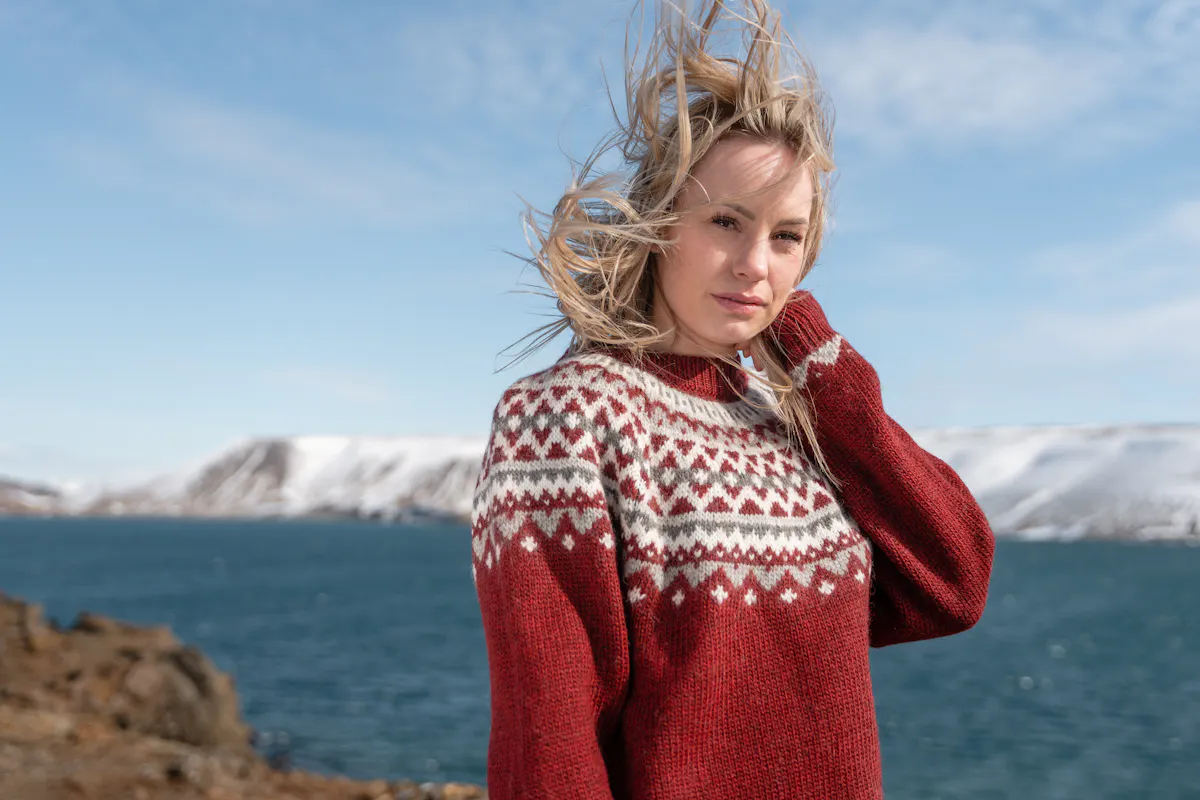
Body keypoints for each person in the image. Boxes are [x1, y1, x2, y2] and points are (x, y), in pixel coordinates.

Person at [470, 1, 995, 797]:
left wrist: (819, 367)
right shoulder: (565, 418)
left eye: (786, 236)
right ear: (658, 224)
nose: (756, 263)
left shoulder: (784, 419)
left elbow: (952, 585)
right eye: (725, 220)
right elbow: (552, 740)